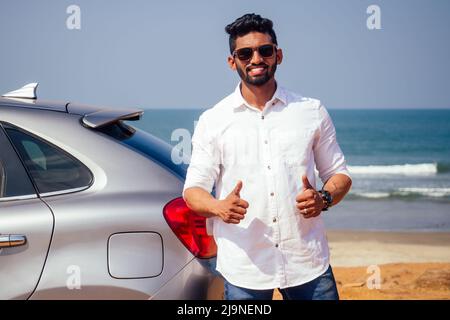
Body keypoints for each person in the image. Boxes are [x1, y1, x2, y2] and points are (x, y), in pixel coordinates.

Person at [183, 13, 352, 300]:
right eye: (245, 53)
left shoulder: (311, 111)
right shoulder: (213, 120)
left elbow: (340, 174)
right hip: (244, 268)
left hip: (307, 263)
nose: (256, 59)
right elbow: (192, 191)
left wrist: (323, 198)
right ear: (232, 61)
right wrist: (218, 207)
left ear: (278, 55)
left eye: (265, 50)